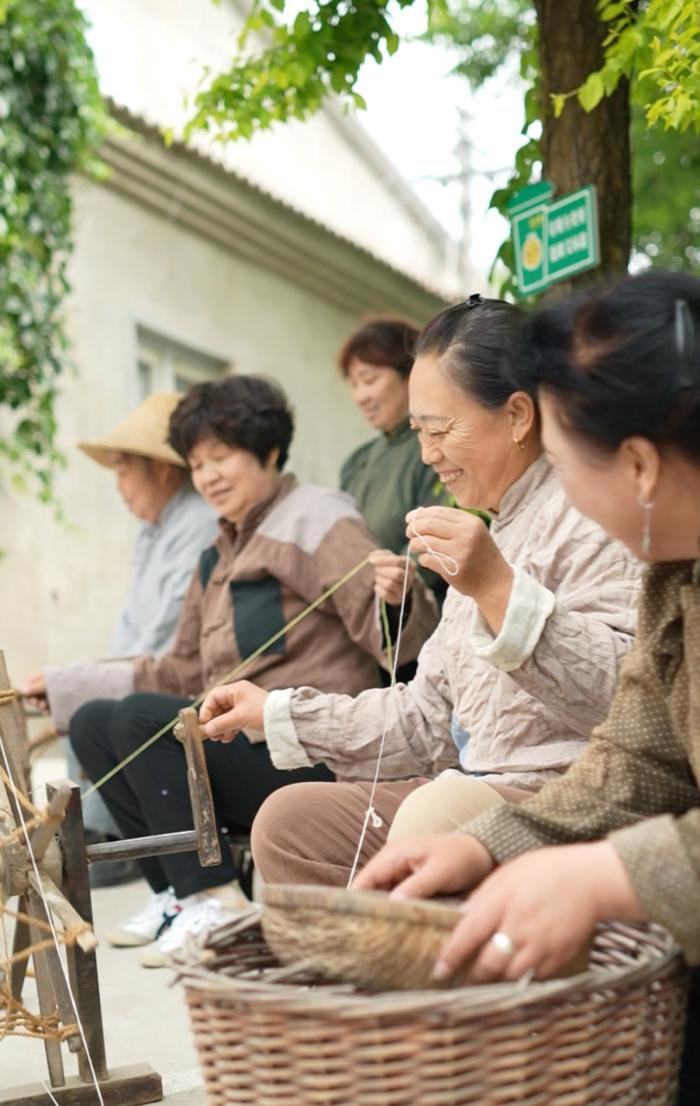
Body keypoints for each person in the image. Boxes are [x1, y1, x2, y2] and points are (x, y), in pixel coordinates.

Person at [352, 270, 700, 1106]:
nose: (555, 489)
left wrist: (602, 876)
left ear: (641, 466)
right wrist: (491, 844)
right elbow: (633, 756)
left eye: (561, 458)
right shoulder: (671, 578)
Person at [197, 296, 642, 890]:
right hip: (471, 786)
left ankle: (400, 974)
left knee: (431, 816)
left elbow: (633, 697)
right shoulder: (489, 525)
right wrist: (276, 711)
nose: (430, 455)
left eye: (441, 430)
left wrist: (496, 588)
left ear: (516, 416)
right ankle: (338, 976)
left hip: (569, 796)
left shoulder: (590, 509)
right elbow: (425, 716)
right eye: (418, 433)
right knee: (289, 821)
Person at [67, 374, 437, 967]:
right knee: (92, 721)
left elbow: (390, 640)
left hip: (304, 747)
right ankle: (176, 897)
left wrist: (397, 595)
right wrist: (65, 688)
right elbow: (179, 668)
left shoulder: (317, 515)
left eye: (222, 457)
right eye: (197, 463)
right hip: (237, 747)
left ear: (267, 452)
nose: (208, 475)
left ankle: (216, 899)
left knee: (145, 719)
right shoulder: (216, 553)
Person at [22, 392, 218, 885]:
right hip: (149, 663)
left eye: (125, 470)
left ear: (163, 470)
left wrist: (91, 678)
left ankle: (113, 841)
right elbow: (130, 629)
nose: (119, 486)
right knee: (84, 693)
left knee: (98, 702)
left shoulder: (197, 525)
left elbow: (167, 638)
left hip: (180, 675)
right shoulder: (155, 532)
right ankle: (92, 832)